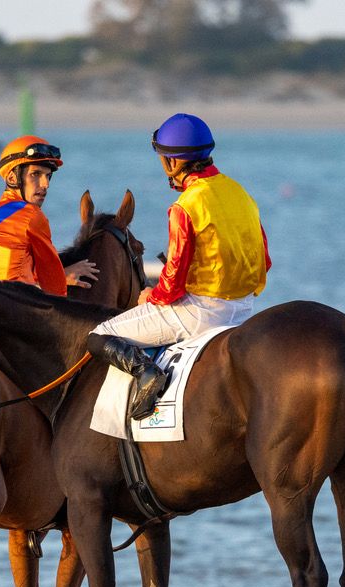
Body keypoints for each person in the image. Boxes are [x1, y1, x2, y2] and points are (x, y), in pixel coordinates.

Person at [87, 113, 271, 420]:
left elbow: (171, 285)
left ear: (173, 163)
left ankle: (148, 375)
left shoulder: (185, 206)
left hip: (200, 313)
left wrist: (150, 296)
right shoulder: (240, 193)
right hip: (245, 309)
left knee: (99, 336)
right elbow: (264, 260)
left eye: (163, 159)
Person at [0, 135, 97, 294]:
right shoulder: (31, 215)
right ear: (12, 177)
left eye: (48, 176)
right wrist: (65, 276)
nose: (46, 184)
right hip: (11, 311)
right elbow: (54, 288)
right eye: (35, 174)